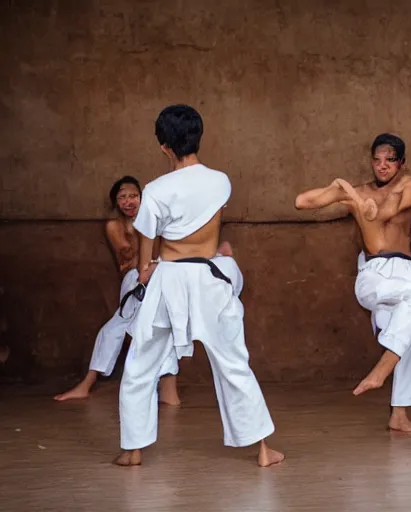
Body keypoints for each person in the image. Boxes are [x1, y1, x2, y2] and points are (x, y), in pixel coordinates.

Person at [116, 104, 282, 467]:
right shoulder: (220, 180)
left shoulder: (156, 190)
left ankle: (133, 450)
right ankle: (264, 450)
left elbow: (147, 248)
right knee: (233, 360)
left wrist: (145, 270)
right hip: (208, 275)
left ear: (164, 146)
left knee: (141, 362)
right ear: (198, 138)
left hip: (170, 276)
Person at [295, 133, 411, 433]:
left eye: (390, 159)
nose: (382, 166)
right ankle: (380, 372)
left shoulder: (409, 185)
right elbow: (302, 202)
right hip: (375, 272)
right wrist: (335, 189)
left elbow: (383, 212)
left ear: (402, 163)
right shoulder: (357, 190)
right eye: (377, 159)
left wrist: (356, 201)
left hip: (404, 269)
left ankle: (399, 413)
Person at [54, 177, 181, 404]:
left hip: (159, 276)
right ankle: (90, 384)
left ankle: (165, 391)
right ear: (116, 203)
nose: (128, 201)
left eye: (133, 196)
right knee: (119, 327)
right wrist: (144, 230)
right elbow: (127, 253)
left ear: (142, 198)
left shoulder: (156, 221)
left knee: (158, 328)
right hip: (135, 281)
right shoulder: (115, 226)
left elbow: (162, 253)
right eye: (122, 197)